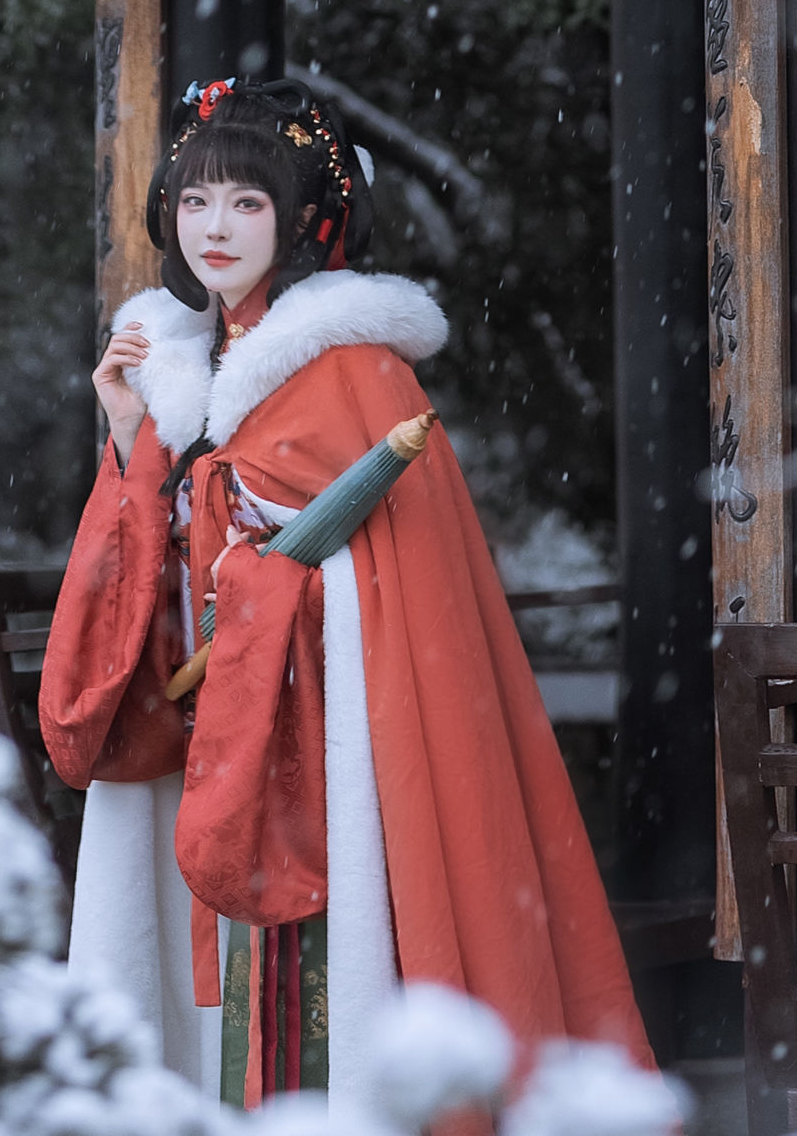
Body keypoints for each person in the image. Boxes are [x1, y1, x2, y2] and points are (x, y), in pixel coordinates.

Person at [39, 75, 653, 1107]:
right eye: (194, 201)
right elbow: (134, 572)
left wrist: (257, 581)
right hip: (212, 724)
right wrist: (131, 438)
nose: (215, 228)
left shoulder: (357, 367)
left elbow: (395, 588)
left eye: (246, 202)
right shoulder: (172, 364)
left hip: (324, 739)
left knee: (313, 992)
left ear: (303, 217)